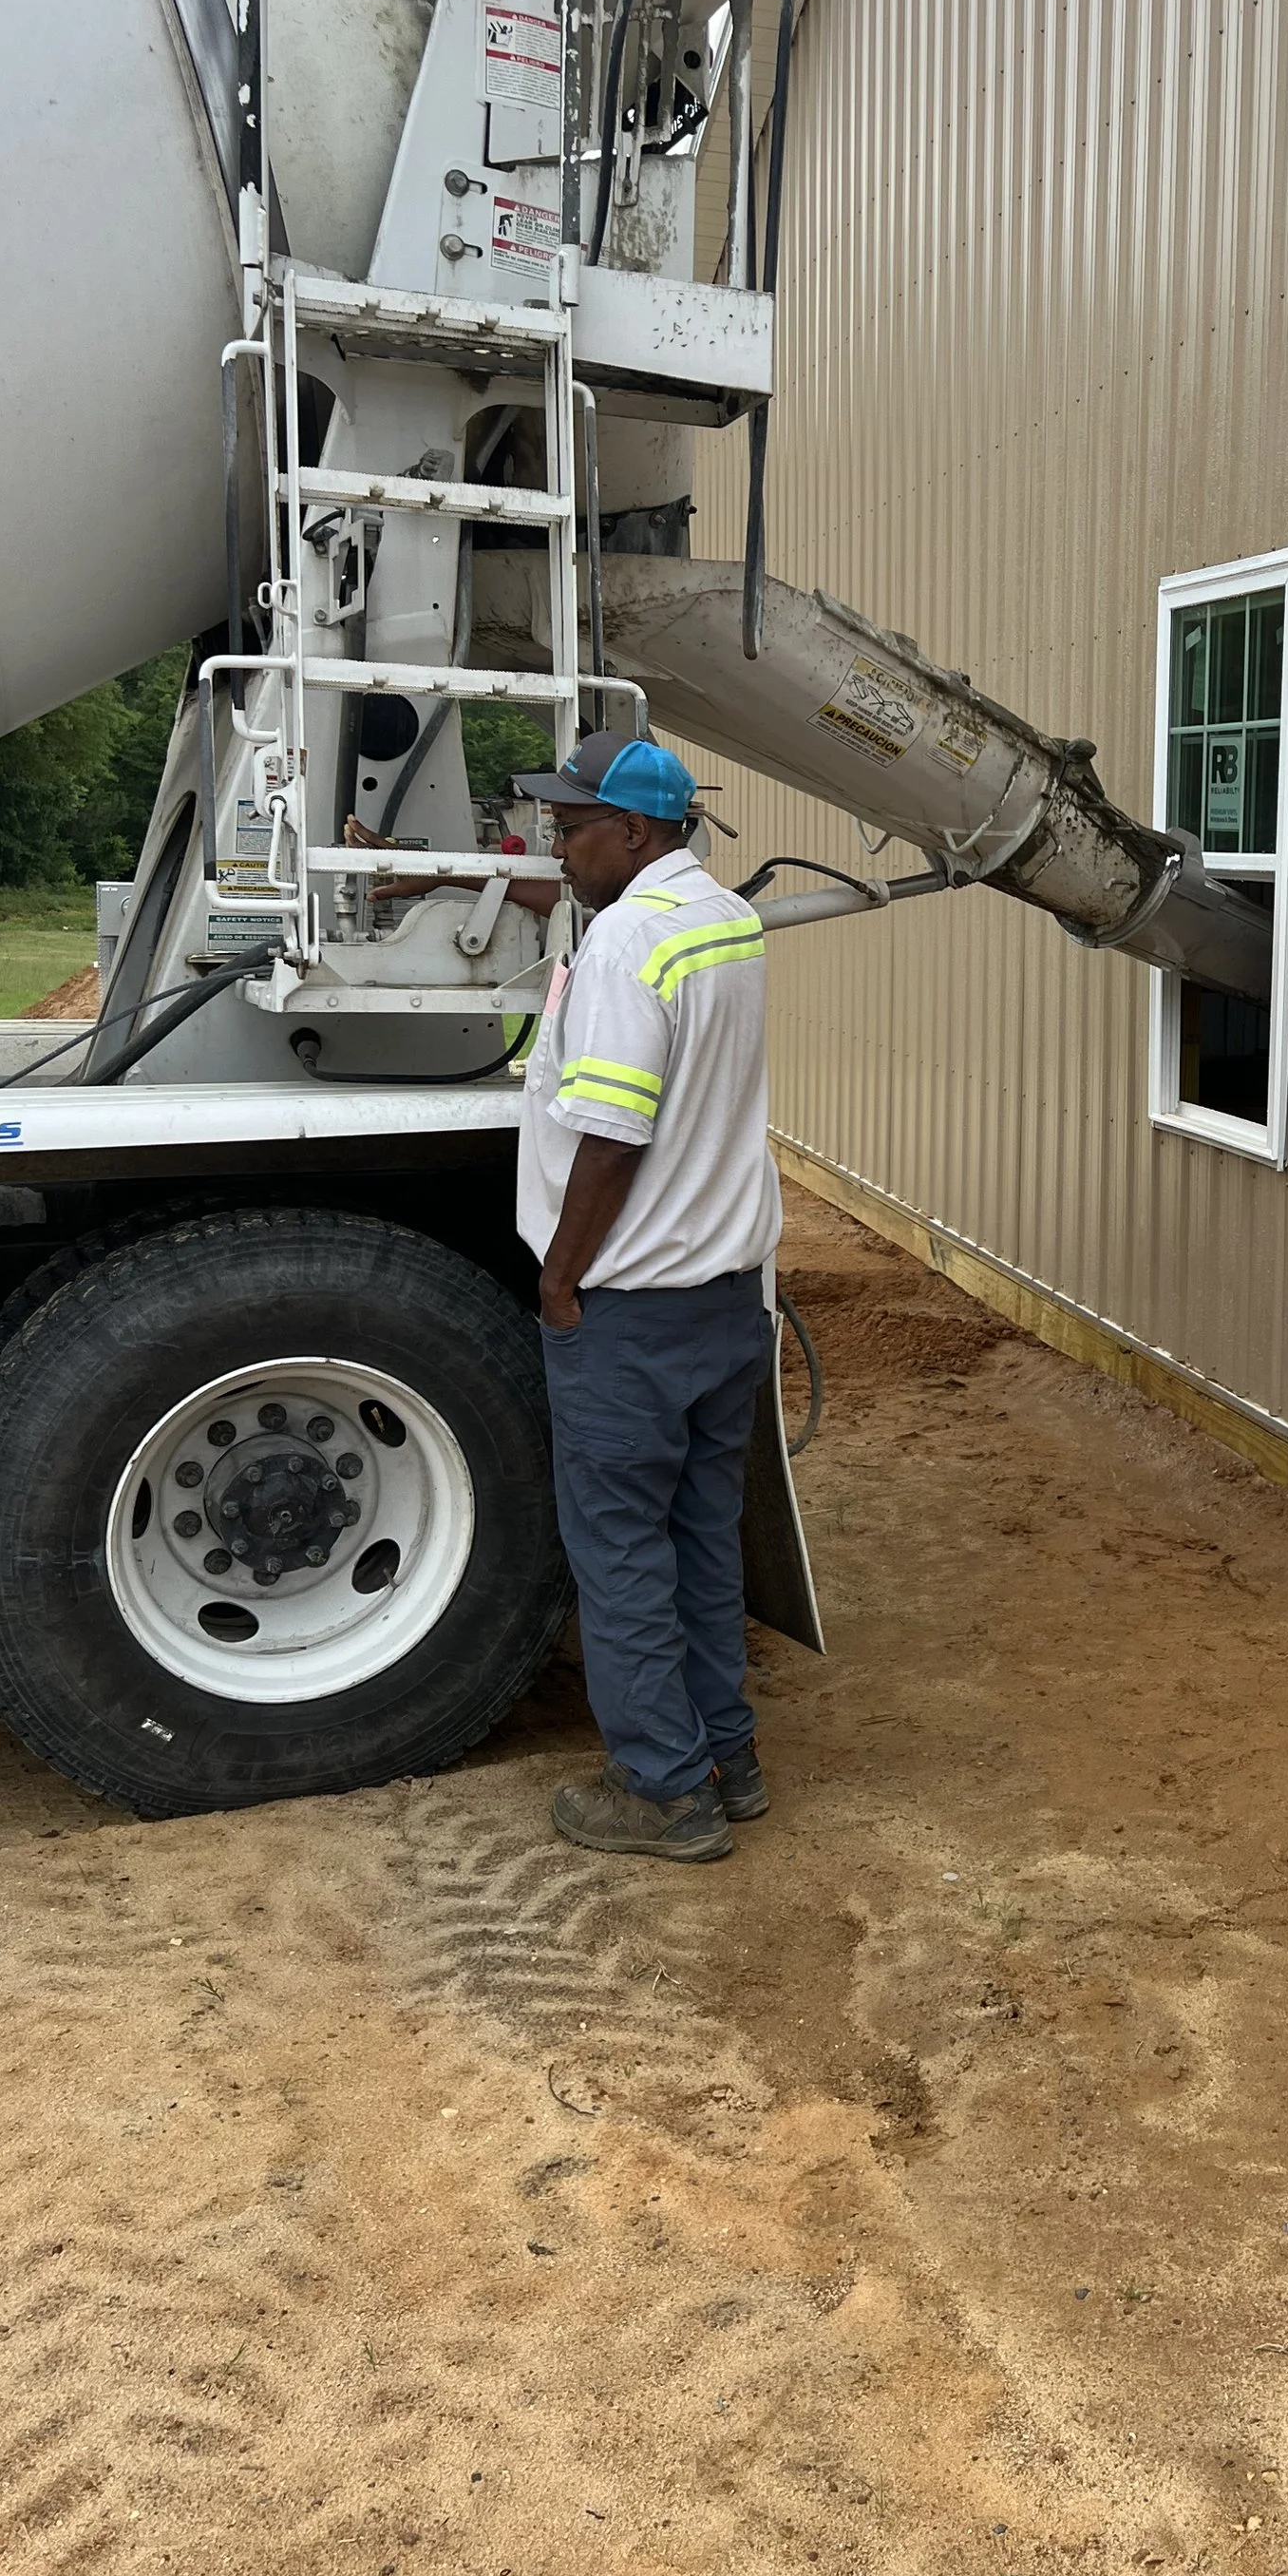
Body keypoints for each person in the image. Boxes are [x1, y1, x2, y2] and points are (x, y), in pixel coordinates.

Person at [512, 727, 780, 1863]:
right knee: (700, 1542)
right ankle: (730, 1758)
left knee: (620, 1553)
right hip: (723, 1304)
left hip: (632, 1310)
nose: (558, 846)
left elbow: (612, 1133)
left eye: (572, 829)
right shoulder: (726, 922)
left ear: (635, 831)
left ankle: (663, 1791)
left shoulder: (628, 944)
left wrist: (560, 1277)